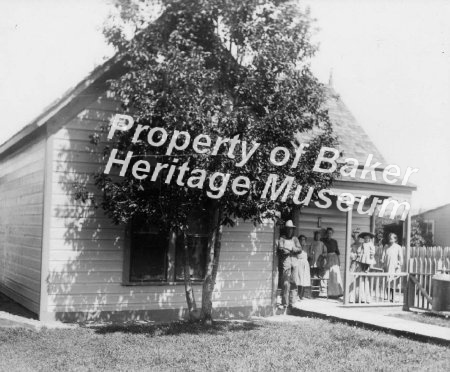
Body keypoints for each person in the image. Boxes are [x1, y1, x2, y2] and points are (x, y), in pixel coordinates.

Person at [277, 220, 301, 309]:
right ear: (286, 229)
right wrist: (287, 250)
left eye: (291, 229)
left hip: (294, 261)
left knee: (294, 281)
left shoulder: (295, 239)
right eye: (288, 229)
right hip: (286, 262)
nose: (289, 231)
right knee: (286, 282)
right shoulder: (282, 238)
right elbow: (281, 248)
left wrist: (292, 248)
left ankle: (292, 302)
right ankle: (285, 303)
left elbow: (300, 249)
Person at [321, 227, 343, 297]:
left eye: (330, 233)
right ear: (326, 234)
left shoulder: (334, 241)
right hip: (326, 258)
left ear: (332, 234)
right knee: (325, 275)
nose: (329, 234)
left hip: (334, 259)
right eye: (328, 233)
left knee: (334, 275)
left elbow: (337, 253)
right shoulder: (322, 240)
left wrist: (339, 263)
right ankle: (324, 293)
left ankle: (335, 293)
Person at [381, 233, 403, 302]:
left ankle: (393, 298)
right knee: (387, 282)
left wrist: (399, 264)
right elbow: (383, 256)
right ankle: (388, 297)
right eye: (389, 238)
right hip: (387, 266)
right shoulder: (386, 246)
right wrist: (382, 260)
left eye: (392, 238)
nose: (390, 240)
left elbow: (401, 258)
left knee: (393, 283)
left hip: (394, 267)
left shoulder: (398, 247)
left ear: (395, 239)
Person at [297, 235, 311, 299]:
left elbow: (310, 256)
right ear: (299, 240)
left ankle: (302, 295)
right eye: (301, 239)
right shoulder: (297, 247)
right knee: (299, 279)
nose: (302, 241)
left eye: (304, 239)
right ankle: (298, 294)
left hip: (305, 263)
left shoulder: (307, 248)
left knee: (304, 279)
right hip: (299, 263)